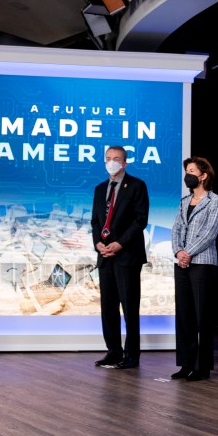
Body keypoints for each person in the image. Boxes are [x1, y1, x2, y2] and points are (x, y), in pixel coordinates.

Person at [91, 145, 149, 369]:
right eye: (108, 159)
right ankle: (113, 351)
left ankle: (132, 355)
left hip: (127, 256)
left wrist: (119, 243)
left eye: (116, 159)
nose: (111, 162)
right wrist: (98, 244)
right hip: (105, 256)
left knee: (129, 306)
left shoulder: (136, 186)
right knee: (108, 307)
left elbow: (140, 220)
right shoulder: (99, 188)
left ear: (125, 163)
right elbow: (96, 221)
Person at [171, 157, 218, 382]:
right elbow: (175, 229)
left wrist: (188, 252)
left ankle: (201, 367)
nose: (188, 174)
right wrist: (178, 253)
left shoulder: (215, 201)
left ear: (203, 175)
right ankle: (186, 364)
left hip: (202, 263)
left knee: (201, 316)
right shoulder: (184, 201)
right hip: (182, 263)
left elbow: (210, 232)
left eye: (192, 170)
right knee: (184, 316)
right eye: (186, 170)